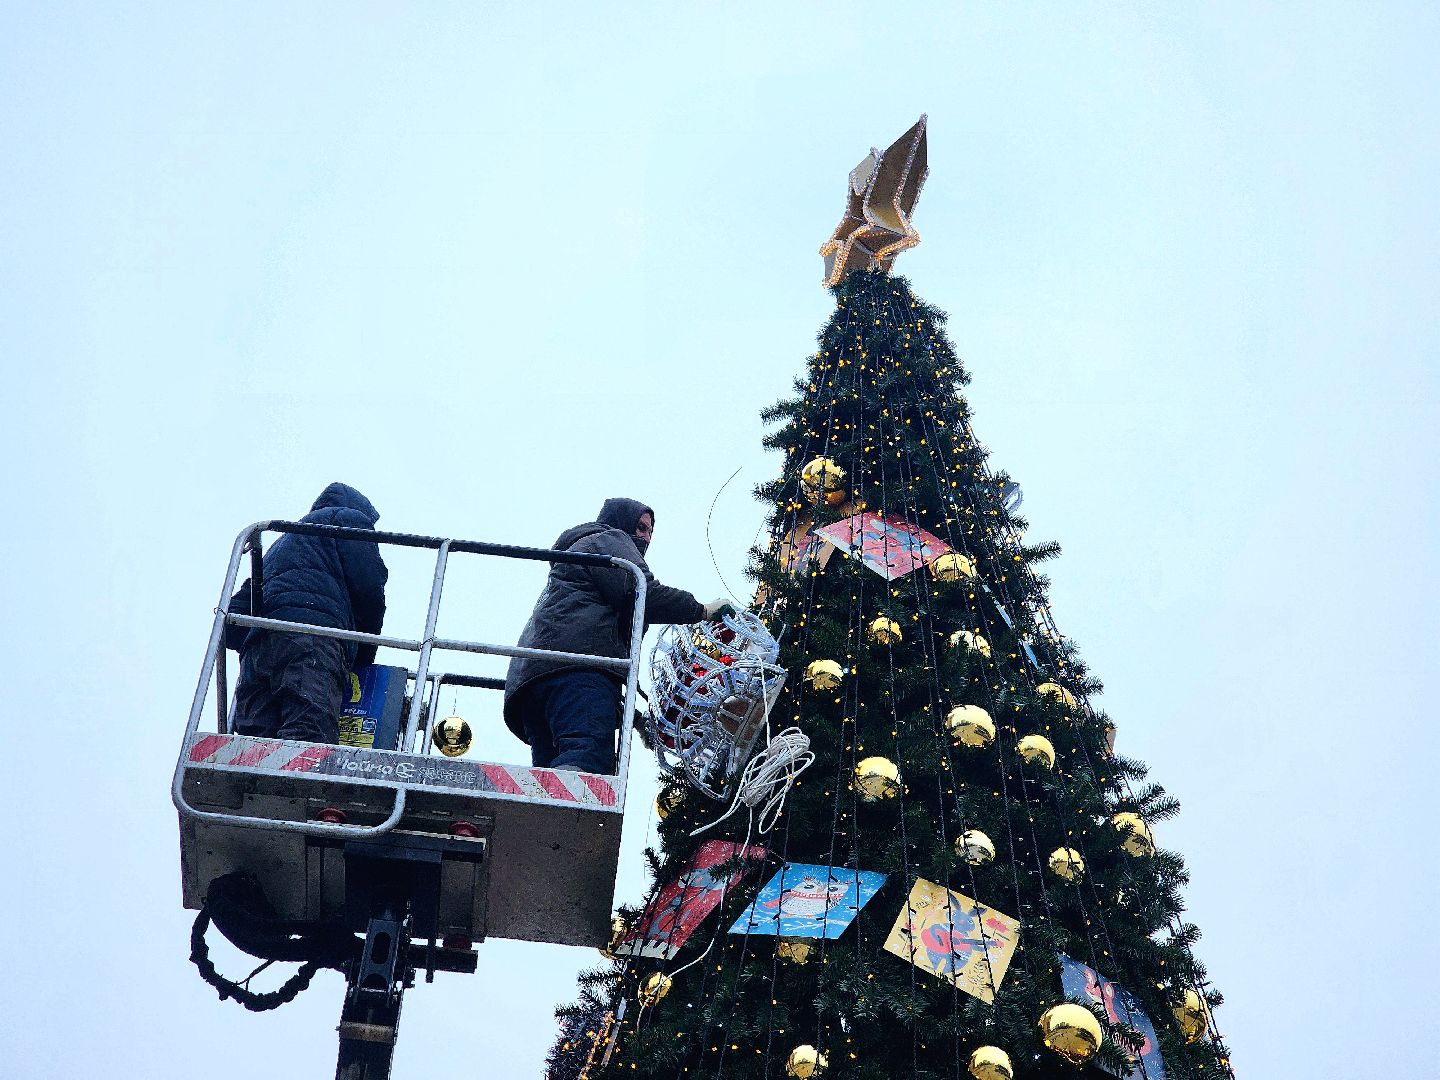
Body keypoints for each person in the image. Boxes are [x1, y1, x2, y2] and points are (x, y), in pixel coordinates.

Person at [504, 497, 732, 774]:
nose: (646, 537)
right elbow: (642, 594)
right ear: (621, 521)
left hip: (530, 681)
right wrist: (702, 610)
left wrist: (632, 718)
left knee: (547, 777)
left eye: (650, 532)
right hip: (576, 669)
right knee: (587, 763)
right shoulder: (608, 539)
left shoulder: (571, 564)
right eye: (641, 527)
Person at [231, 482, 388, 744]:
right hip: (311, 641)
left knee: (254, 746)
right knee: (308, 734)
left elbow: (234, 618)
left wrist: (256, 636)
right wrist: (363, 659)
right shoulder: (348, 519)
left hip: (257, 652)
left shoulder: (280, 542)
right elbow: (369, 589)